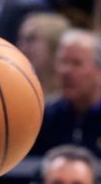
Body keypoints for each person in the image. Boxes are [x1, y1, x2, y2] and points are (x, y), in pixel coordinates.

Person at [30, 29, 101, 159]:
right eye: (63, 62)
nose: (66, 71)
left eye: (76, 63)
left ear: (99, 71)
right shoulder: (44, 118)